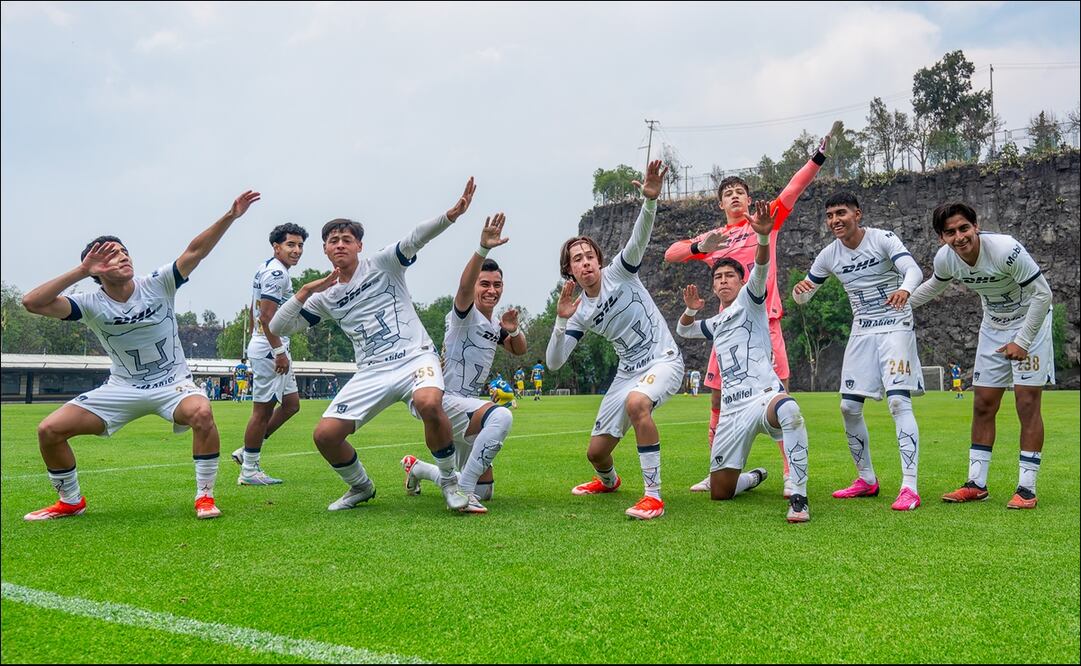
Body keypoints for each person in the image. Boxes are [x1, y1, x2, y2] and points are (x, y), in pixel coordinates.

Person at [21, 190, 261, 521]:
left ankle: (205, 497)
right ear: (95, 269)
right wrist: (80, 271)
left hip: (173, 385)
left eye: (124, 252)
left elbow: (196, 251)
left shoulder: (158, 284)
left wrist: (230, 216)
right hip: (122, 388)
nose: (123, 257)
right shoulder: (90, 303)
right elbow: (32, 302)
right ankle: (71, 501)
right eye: (111, 256)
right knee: (49, 430)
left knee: (202, 412)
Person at [270, 179, 477, 512]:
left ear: (359, 246)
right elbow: (278, 327)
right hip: (372, 372)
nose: (340, 245)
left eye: (347, 239)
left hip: (414, 359)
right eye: (333, 240)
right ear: (325, 250)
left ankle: (450, 483)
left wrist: (450, 216)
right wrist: (305, 291)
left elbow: (415, 238)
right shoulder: (323, 296)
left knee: (428, 402)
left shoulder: (382, 264)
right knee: (325, 435)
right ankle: (361, 486)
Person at [666, 121, 842, 497]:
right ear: (720, 204)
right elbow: (671, 253)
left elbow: (793, 189)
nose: (734, 197)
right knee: (717, 397)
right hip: (727, 330)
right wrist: (700, 247)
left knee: (780, 394)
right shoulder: (715, 238)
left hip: (766, 322)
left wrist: (818, 158)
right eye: (728, 193)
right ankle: (716, 467)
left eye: (739, 192)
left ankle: (789, 472)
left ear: (749, 199)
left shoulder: (765, 221)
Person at [547, 160, 684, 520]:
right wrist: (560, 320)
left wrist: (650, 201)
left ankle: (653, 497)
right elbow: (554, 362)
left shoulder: (620, 272)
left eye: (589, 256)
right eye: (577, 260)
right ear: (569, 270)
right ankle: (609, 482)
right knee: (596, 453)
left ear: (598, 260)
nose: (585, 263)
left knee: (638, 404)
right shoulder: (578, 311)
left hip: (663, 360)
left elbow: (640, 236)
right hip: (627, 373)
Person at [910, 202, 1054, 509]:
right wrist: (901, 303)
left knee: (1027, 403)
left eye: (964, 228)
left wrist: (1022, 341)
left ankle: (1026, 489)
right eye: (950, 232)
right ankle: (976, 484)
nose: (959, 237)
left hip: (1032, 320)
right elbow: (934, 285)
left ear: (976, 226)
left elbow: (1043, 294)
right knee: (983, 403)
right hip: (993, 325)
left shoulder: (1005, 250)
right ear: (941, 237)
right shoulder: (946, 258)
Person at [677, 201, 811, 522]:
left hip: (762, 399)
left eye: (730, 276)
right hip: (732, 412)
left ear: (742, 281)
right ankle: (753, 477)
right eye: (718, 277)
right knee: (720, 493)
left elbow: (761, 267)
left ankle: (799, 497)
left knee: (789, 409)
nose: (724, 280)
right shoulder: (716, 322)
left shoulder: (752, 300)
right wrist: (692, 309)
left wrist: (763, 237)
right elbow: (684, 330)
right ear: (713, 286)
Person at [792, 191, 925, 511]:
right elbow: (804, 296)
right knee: (848, 407)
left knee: (898, 401)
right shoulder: (828, 255)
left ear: (857, 214)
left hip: (895, 323)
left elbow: (914, 271)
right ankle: (866, 479)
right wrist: (799, 293)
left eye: (841, 213)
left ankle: (910, 487)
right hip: (862, 329)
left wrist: (904, 289)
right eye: (829, 216)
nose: (835, 220)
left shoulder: (882, 239)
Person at [402, 213, 527, 512]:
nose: (491, 290)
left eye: (497, 284)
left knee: (487, 491)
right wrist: (483, 248)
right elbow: (463, 287)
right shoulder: (464, 314)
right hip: (444, 400)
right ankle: (464, 492)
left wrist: (514, 330)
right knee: (501, 416)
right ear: (475, 286)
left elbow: (519, 349)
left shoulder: (493, 323)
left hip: (466, 406)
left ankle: (419, 468)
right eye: (484, 284)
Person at [231, 223, 308, 486]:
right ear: (276, 247)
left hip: (270, 345)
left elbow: (256, 311)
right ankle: (249, 470)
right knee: (262, 411)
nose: (296, 250)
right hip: (270, 349)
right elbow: (266, 316)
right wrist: (277, 351)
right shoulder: (277, 274)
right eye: (290, 245)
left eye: (300, 245)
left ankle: (247, 451)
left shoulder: (268, 268)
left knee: (291, 405)